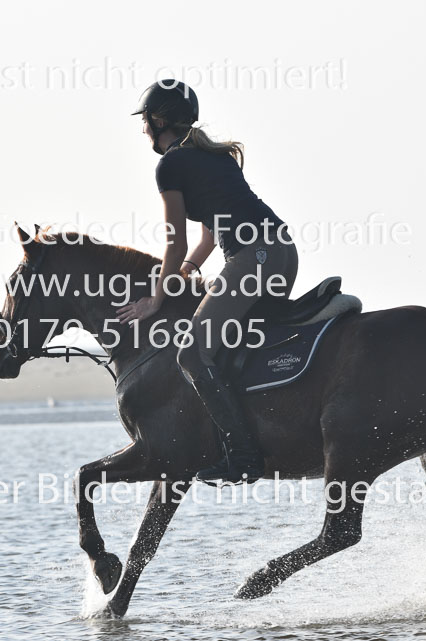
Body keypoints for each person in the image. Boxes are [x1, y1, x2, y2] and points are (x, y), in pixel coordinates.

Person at [116, 80, 299, 484]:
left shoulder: (171, 164)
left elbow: (175, 240)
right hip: (281, 253)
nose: (144, 130)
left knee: (191, 354)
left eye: (145, 122)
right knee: (237, 340)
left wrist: (156, 299)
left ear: (158, 119)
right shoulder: (210, 155)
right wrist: (184, 272)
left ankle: (244, 457)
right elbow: (209, 236)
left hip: (255, 257)